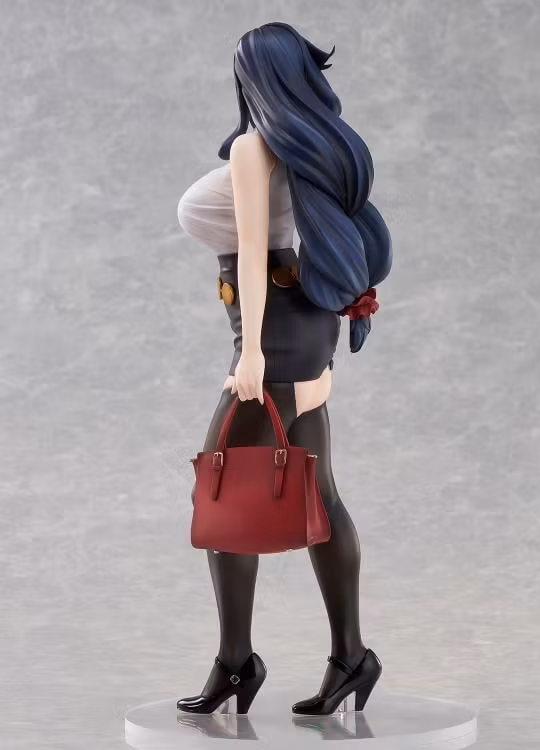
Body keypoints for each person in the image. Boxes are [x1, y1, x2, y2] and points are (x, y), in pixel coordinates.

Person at [175, 22, 393, 716]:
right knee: (318, 495)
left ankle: (237, 663)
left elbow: (250, 251)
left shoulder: (256, 148)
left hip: (271, 333)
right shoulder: (318, 144)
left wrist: (250, 355)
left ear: (256, 79)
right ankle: (351, 658)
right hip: (306, 322)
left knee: (221, 494)